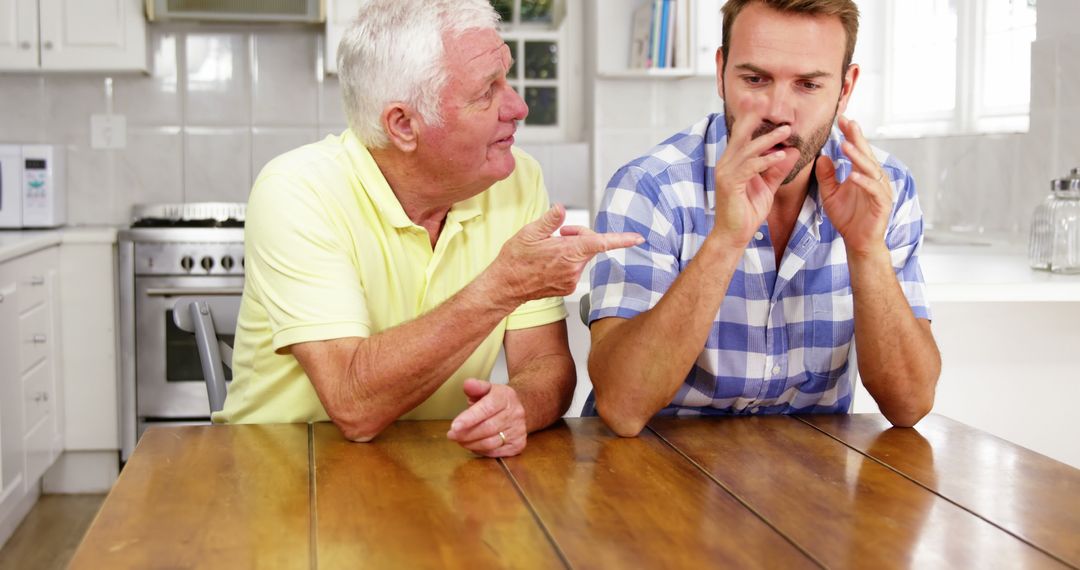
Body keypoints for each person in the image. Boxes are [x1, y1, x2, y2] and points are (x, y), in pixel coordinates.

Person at [213, 0, 642, 457]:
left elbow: (547, 364)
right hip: (285, 476)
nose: (518, 106)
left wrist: (520, 405)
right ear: (403, 125)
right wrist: (503, 286)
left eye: (507, 78)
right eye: (486, 92)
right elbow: (354, 407)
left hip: (433, 465)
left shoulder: (516, 180)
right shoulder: (298, 190)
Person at [585, 0, 941, 436]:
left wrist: (867, 252)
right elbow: (622, 406)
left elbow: (910, 404)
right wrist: (726, 240)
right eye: (755, 79)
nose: (778, 110)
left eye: (808, 85)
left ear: (846, 89)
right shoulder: (649, 187)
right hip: (655, 469)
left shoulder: (883, 189)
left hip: (808, 475)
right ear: (721, 72)